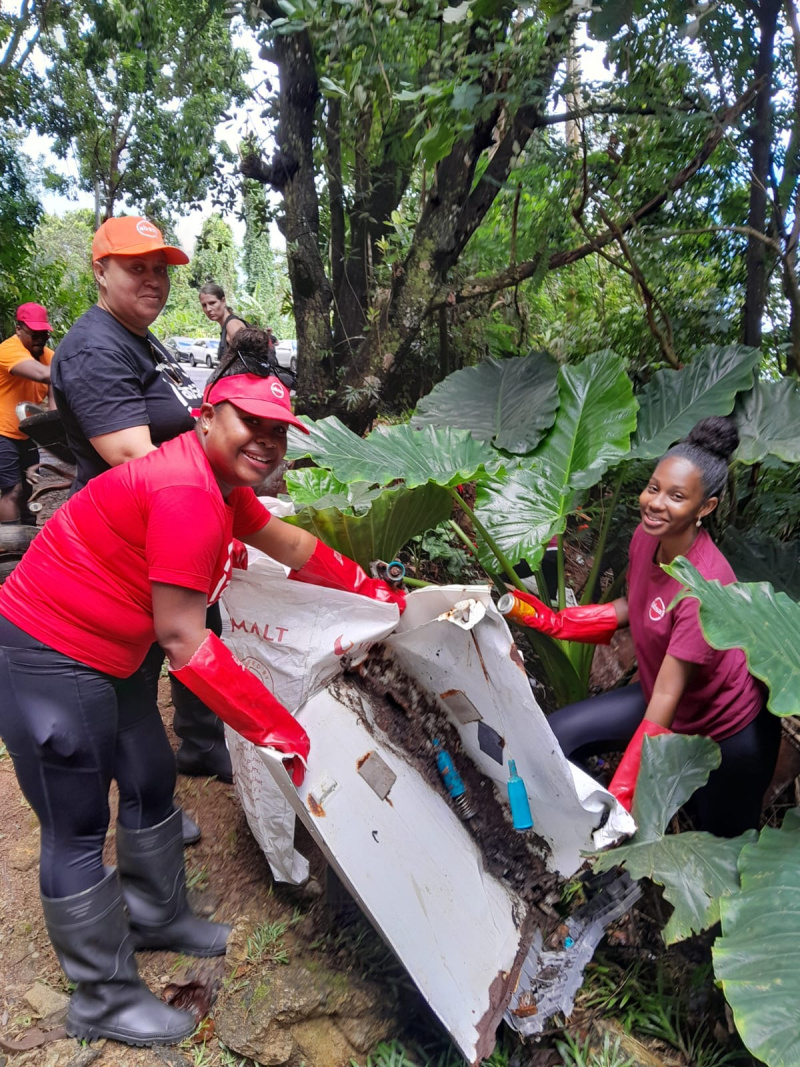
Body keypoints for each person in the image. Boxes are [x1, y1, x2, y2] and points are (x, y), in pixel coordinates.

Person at [0, 370, 405, 1047]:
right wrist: (280, 731)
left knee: (150, 771)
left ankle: (155, 914)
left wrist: (375, 591)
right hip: (50, 652)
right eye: (252, 423)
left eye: (278, 432)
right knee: (76, 826)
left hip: (113, 651)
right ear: (206, 417)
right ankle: (101, 997)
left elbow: (290, 545)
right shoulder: (186, 491)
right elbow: (185, 639)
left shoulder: (218, 484)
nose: (267, 441)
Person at [509, 417, 780, 838]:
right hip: (663, 698)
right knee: (558, 736)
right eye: (654, 488)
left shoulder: (704, 586)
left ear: (705, 508)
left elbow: (668, 697)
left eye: (676, 496)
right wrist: (556, 622)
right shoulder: (647, 536)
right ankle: (561, 834)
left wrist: (622, 793)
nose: (655, 503)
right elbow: (636, 604)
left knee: (716, 838)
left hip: (725, 732)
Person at [52, 217, 233, 796]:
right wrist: (210, 506)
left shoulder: (138, 336)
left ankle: (201, 742)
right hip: (127, 543)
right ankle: (144, 807)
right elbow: (133, 457)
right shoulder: (95, 349)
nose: (154, 280)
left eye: (160, 269)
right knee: (134, 674)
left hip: (170, 526)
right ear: (100, 272)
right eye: (137, 268)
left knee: (202, 626)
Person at [0, 303, 55, 524]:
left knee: (29, 490)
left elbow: (54, 394)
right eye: (34, 334)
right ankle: (10, 543)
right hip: (2, 432)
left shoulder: (48, 357)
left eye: (44, 335)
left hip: (27, 433)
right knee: (12, 490)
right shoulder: (8, 350)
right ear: (19, 329)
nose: (40, 339)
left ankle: (28, 537)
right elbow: (44, 375)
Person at [198, 282, 247, 366]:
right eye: (204, 305)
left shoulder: (232, 325)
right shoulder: (227, 325)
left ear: (223, 301)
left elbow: (247, 359)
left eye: (212, 303)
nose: (208, 309)